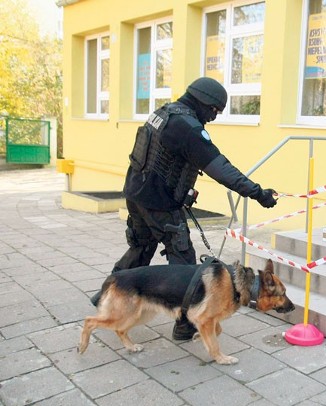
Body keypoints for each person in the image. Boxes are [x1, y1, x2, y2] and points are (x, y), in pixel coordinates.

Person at [90, 77, 278, 340]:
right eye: (214, 111)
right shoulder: (188, 128)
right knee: (184, 260)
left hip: (137, 193)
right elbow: (220, 168)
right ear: (205, 103)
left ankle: (106, 296)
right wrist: (258, 193)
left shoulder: (164, 113)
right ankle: (185, 324)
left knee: (141, 247)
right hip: (159, 203)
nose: (212, 118)